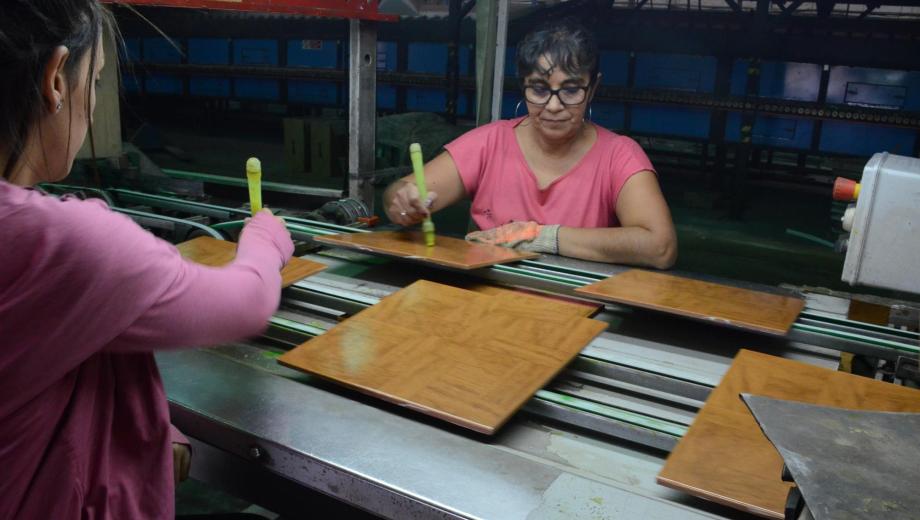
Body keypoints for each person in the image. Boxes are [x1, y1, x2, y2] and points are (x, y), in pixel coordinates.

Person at [0, 2, 293, 519]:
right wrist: (266, 239)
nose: (92, 103)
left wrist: (149, 423)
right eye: (94, 80)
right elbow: (246, 302)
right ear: (56, 79)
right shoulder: (67, 242)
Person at [384, 19, 677, 269]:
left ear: (593, 88)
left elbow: (660, 247)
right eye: (538, 89)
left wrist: (541, 237)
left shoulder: (618, 156)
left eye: (571, 90)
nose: (553, 106)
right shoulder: (489, 143)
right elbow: (398, 194)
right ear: (522, 84)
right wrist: (402, 201)